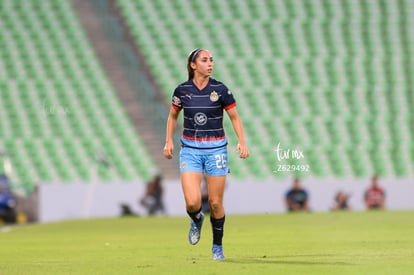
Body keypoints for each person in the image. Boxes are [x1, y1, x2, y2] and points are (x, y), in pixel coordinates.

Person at [163, 48, 250, 260]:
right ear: (193, 65)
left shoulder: (220, 90)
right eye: (204, 60)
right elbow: (173, 116)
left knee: (216, 203)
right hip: (191, 150)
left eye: (211, 60)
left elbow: (235, 117)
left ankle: (217, 247)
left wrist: (242, 142)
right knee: (192, 203)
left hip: (216, 150)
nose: (210, 63)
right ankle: (196, 219)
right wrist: (168, 142)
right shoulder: (182, 91)